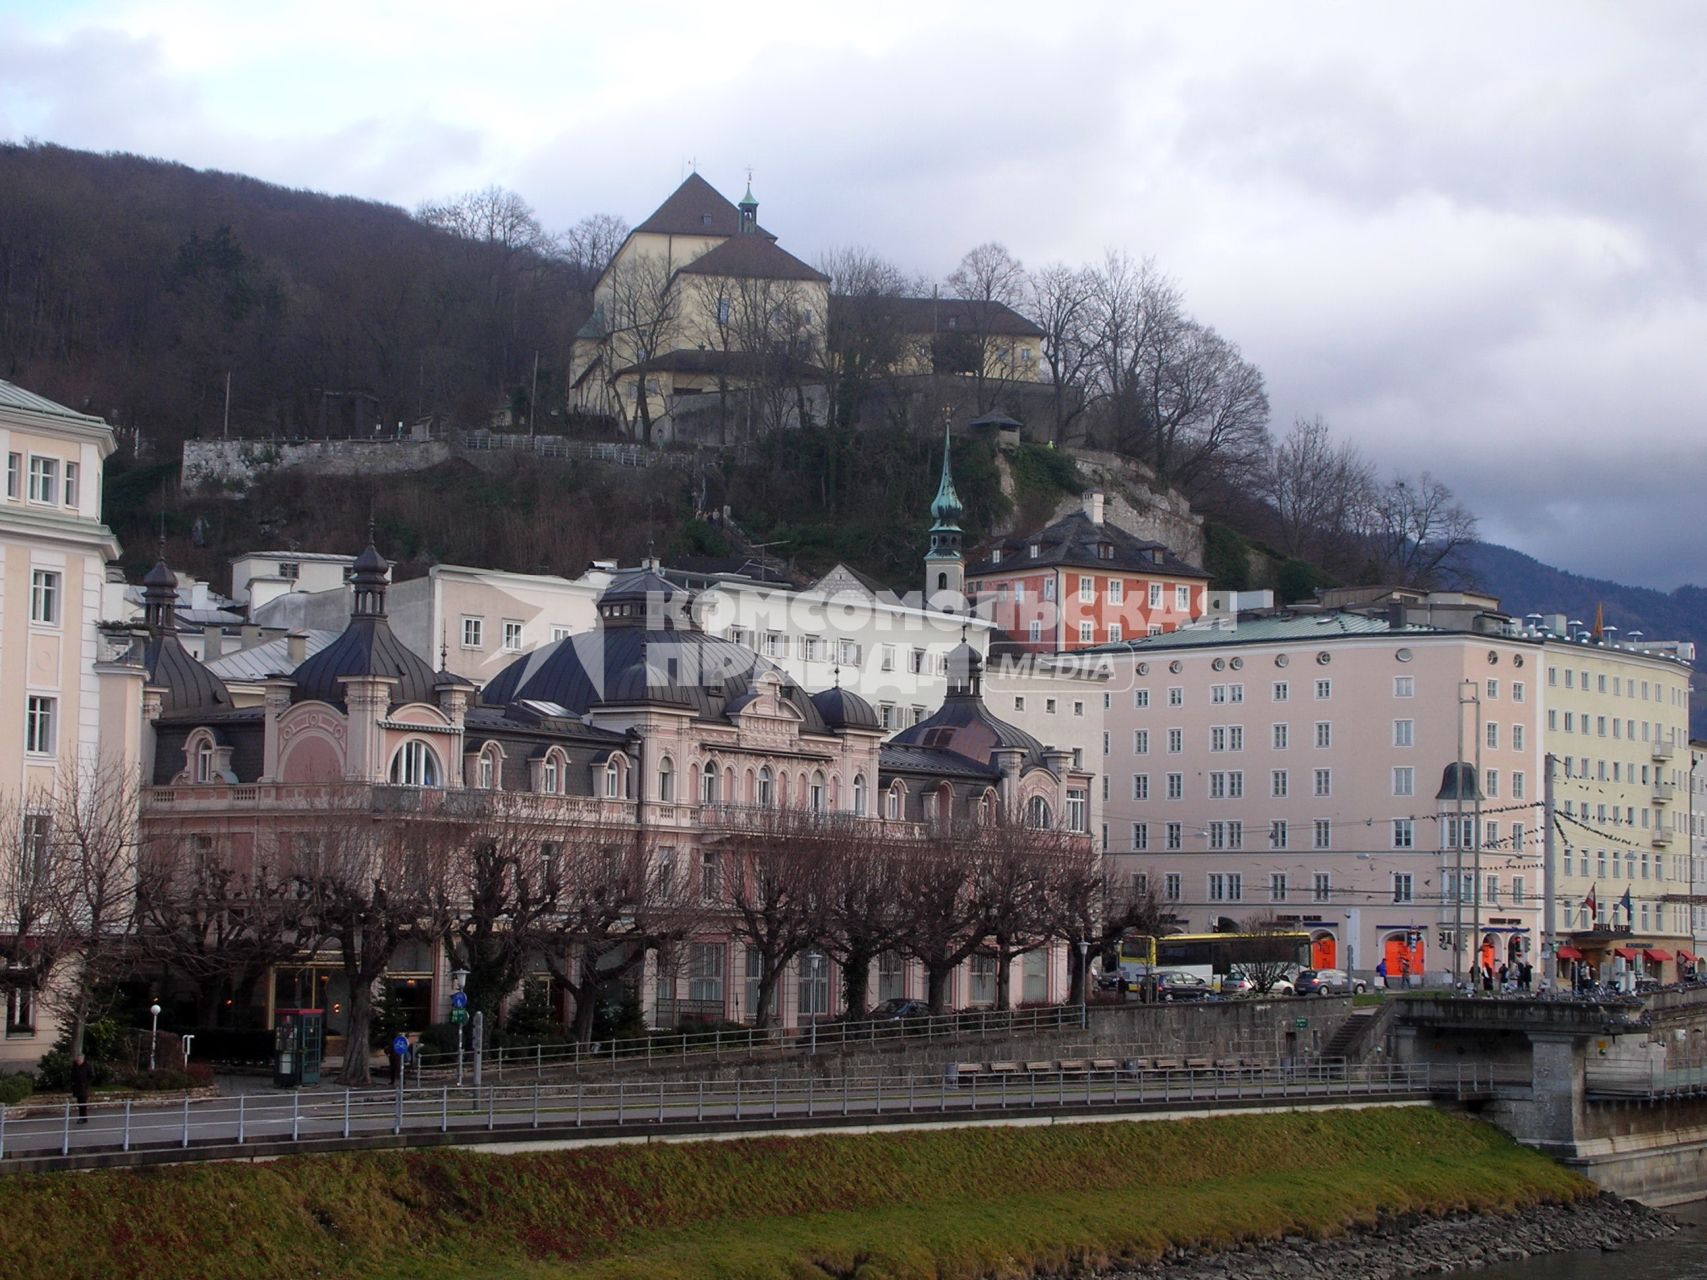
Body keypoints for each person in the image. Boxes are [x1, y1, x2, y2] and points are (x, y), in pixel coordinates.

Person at [70, 1052, 92, 1124]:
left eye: (79, 1059)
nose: (78, 1060)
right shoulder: (74, 1066)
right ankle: (82, 1117)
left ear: (82, 1059)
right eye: (77, 1059)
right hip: (76, 1087)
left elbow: (91, 1076)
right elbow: (72, 1076)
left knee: (83, 1103)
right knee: (79, 1103)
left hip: (84, 1088)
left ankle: (83, 1118)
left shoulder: (87, 1066)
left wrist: (86, 1083)